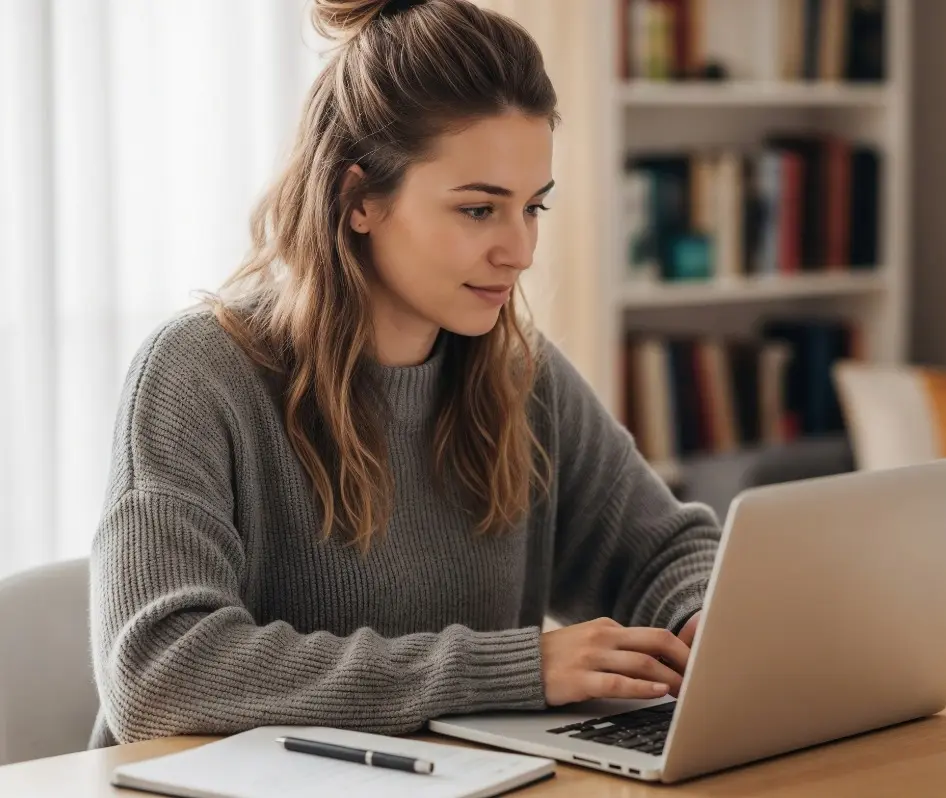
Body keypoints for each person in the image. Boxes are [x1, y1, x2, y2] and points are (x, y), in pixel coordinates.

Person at [87, 0, 721, 749]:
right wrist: (509, 670)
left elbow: (664, 552)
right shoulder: (198, 374)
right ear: (359, 199)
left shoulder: (520, 376)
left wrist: (702, 619)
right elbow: (160, 673)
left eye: (533, 208)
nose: (520, 251)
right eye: (479, 210)